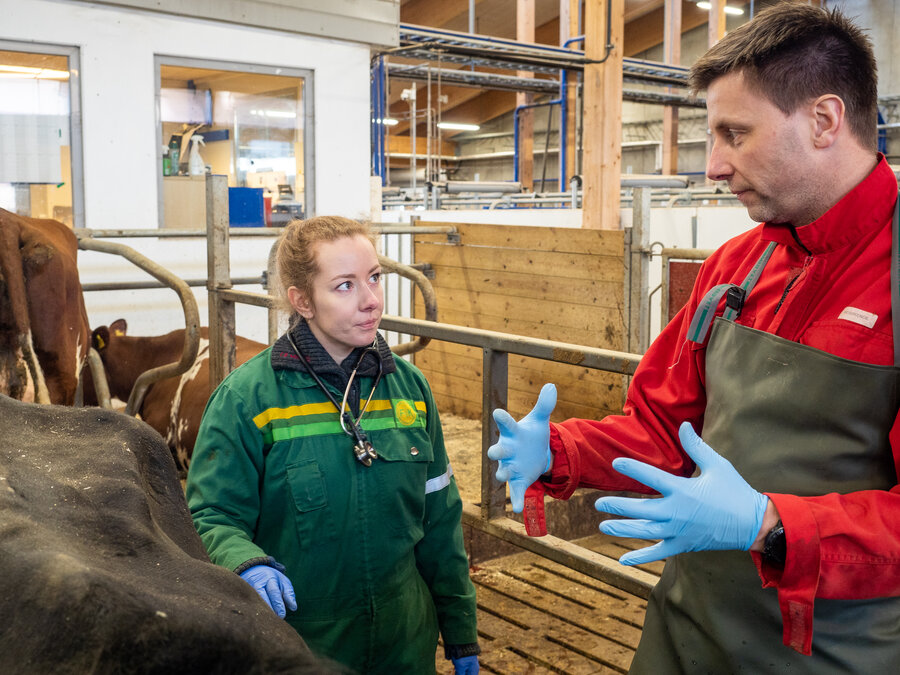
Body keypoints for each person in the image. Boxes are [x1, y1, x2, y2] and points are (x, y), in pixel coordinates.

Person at [487, 5, 900, 673]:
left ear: (825, 120)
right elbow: (661, 429)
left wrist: (770, 524)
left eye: (735, 134)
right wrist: (560, 450)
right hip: (691, 630)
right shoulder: (735, 267)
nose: (713, 165)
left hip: (830, 650)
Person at [186, 216, 480, 675]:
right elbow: (211, 514)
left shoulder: (410, 390)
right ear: (302, 301)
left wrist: (461, 631)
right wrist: (245, 562)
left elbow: (441, 519)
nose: (371, 301)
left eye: (375, 278)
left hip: (405, 644)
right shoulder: (249, 400)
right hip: (300, 646)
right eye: (345, 286)